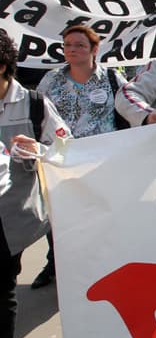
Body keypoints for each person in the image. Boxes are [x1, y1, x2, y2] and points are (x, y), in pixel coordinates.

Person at [34, 25, 129, 289]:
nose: (72, 50)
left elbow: (131, 102)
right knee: (60, 218)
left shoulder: (111, 78)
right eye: (68, 45)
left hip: (103, 162)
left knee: (99, 216)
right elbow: (37, 112)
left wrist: (149, 115)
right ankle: (56, 264)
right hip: (62, 163)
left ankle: (101, 266)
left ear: (94, 50)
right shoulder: (51, 80)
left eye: (79, 45)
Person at [0, 29, 71, 338]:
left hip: (12, 221)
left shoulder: (34, 105)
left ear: (2, 65)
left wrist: (39, 150)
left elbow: (66, 148)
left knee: (2, 292)